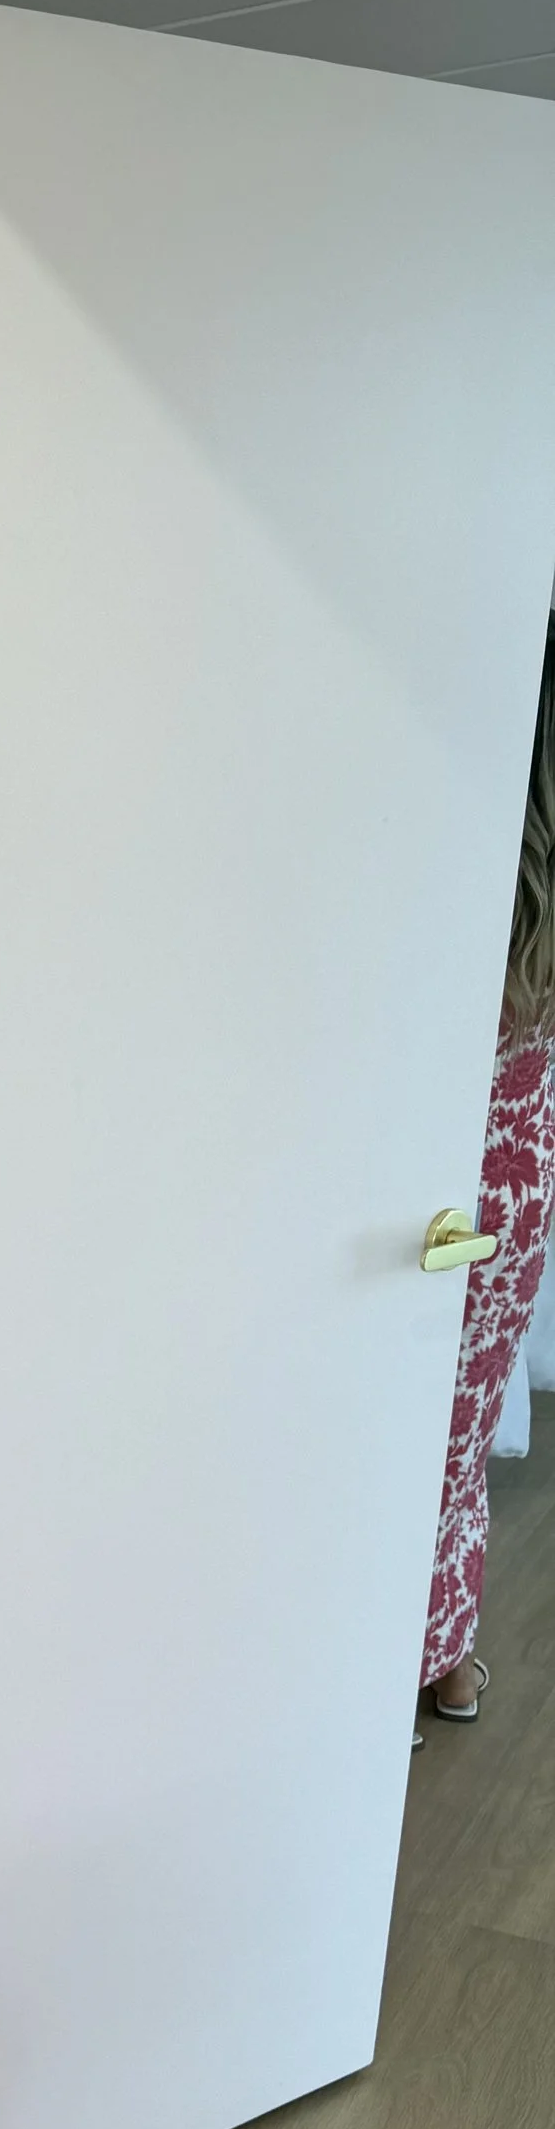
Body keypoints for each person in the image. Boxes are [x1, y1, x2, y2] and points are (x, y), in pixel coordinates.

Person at [422, 617, 555, 1723]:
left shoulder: (443, 843)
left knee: (385, 1416)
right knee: (457, 1426)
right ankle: (446, 1660)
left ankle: (371, 1664)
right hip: (517, 1172)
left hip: (422, 1160)